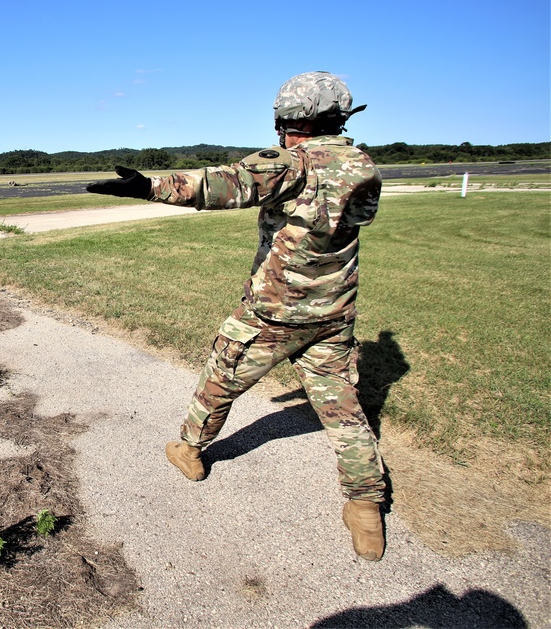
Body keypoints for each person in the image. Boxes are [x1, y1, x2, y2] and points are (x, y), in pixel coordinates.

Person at [86, 71, 386, 561]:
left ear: (290, 121)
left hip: (274, 313)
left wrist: (147, 186)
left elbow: (222, 185)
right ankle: (365, 506)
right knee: (344, 411)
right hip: (333, 312)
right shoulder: (362, 165)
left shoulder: (293, 163)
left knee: (219, 379)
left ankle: (188, 450)